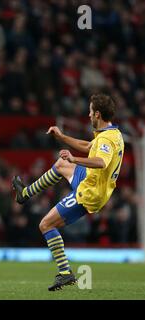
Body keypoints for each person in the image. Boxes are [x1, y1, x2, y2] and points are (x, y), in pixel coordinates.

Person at [12, 94, 124, 291]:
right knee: (61, 163)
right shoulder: (112, 133)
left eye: (90, 111)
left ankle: (65, 273)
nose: (88, 115)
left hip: (89, 192)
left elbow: (101, 162)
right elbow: (88, 147)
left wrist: (74, 159)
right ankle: (26, 193)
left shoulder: (106, 139)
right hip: (90, 180)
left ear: (97, 114)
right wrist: (62, 137)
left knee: (45, 224)